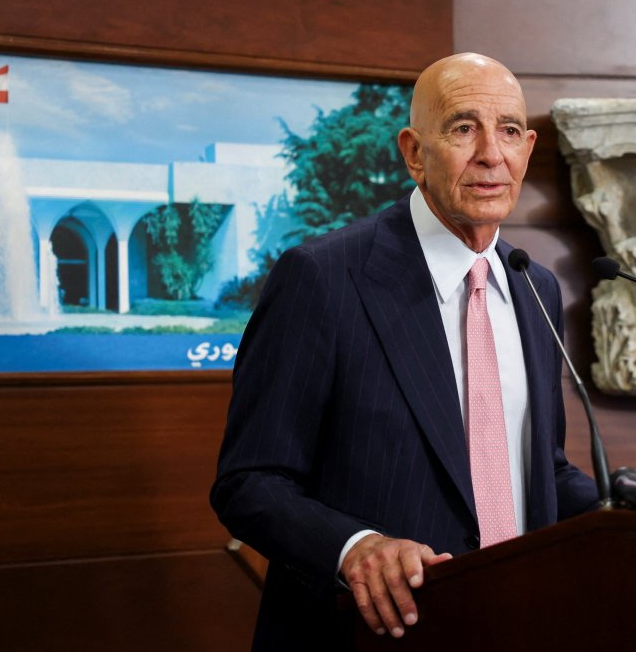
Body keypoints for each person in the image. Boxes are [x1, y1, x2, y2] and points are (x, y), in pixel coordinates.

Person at [210, 52, 599, 651]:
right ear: (414, 152)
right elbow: (251, 481)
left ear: (528, 148)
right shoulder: (323, 277)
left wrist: (629, 518)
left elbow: (537, 466)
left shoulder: (534, 287)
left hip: (517, 619)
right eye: (464, 128)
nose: (491, 154)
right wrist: (355, 547)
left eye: (510, 131)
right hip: (370, 634)